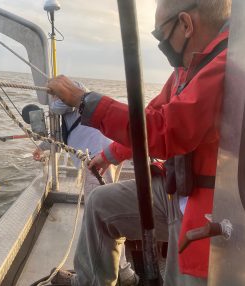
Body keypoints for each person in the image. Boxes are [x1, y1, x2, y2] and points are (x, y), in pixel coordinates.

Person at [45, 0, 232, 285]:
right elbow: (150, 118)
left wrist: (84, 101)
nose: (161, 45)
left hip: (207, 213)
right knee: (99, 204)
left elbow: (167, 131)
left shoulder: (226, 66)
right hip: (176, 192)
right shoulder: (187, 68)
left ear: (186, 24)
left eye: (160, 35)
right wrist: (109, 154)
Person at [33, 88, 139, 286]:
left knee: (98, 219)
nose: (53, 100)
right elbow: (58, 137)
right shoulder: (67, 113)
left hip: (97, 158)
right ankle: (124, 274)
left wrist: (56, 88)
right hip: (101, 155)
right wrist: (41, 147)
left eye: (54, 93)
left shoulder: (70, 97)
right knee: (105, 217)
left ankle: (94, 279)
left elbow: (63, 102)